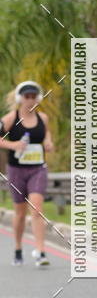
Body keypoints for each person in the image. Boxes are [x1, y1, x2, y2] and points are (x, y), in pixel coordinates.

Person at [0, 80, 54, 266]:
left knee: (37, 209)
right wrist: (12, 145)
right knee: (20, 213)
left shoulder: (43, 118)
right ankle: (17, 247)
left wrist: (48, 143)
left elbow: (46, 135)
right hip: (16, 171)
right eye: (27, 97)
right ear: (20, 99)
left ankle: (40, 252)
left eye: (33, 97)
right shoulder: (10, 118)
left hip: (38, 169)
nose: (30, 100)